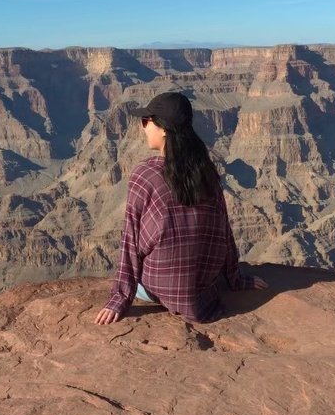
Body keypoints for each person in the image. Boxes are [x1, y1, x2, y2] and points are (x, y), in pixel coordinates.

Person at [94, 92, 267, 325]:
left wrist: (120, 297)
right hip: (203, 287)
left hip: (160, 289)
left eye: (146, 121)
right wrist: (236, 279)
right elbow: (224, 232)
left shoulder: (145, 175)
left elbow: (131, 240)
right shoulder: (206, 171)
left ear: (164, 129)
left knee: (139, 272)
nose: (143, 127)